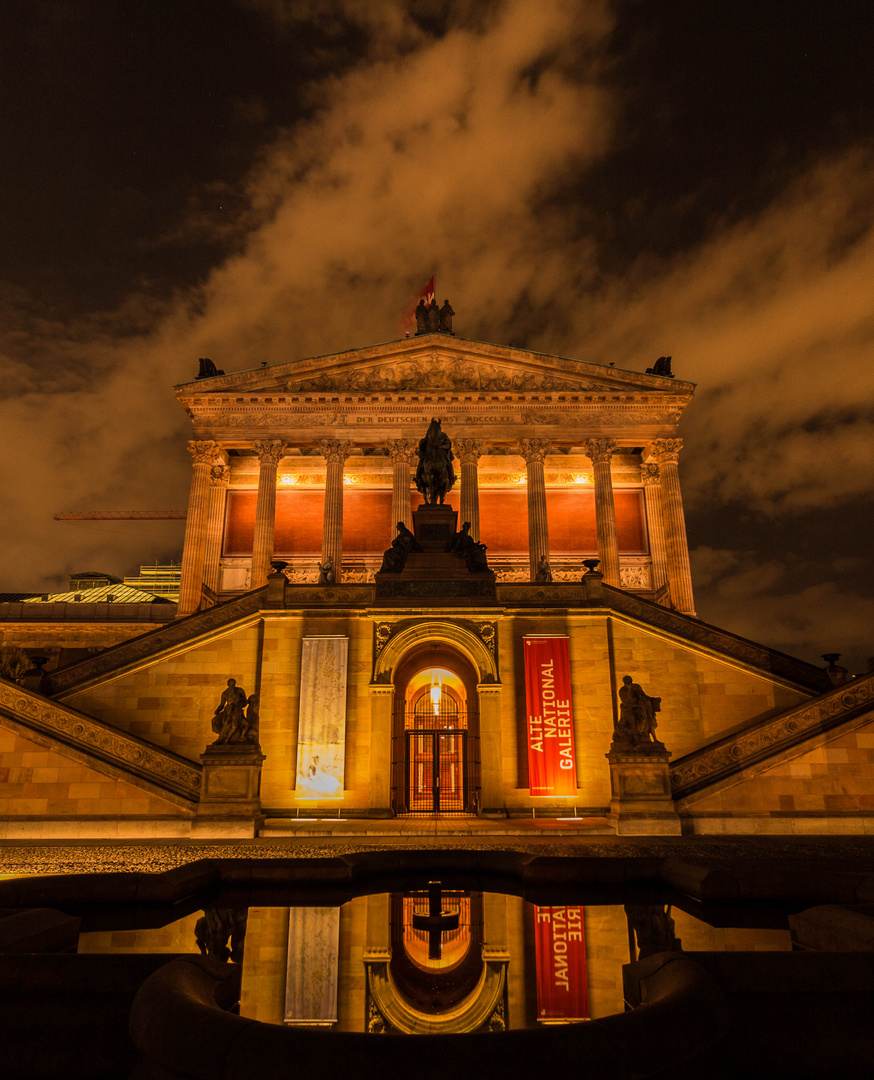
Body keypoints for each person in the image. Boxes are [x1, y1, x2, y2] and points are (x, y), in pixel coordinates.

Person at [616, 675, 662, 746]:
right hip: (628, 708)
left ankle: (642, 733)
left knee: (644, 715)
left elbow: (643, 696)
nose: (629, 684)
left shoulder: (636, 687)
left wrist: (652, 699)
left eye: (630, 683)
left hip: (638, 706)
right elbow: (626, 701)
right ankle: (634, 736)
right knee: (630, 718)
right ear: (624, 683)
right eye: (627, 683)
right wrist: (629, 691)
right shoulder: (622, 690)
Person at [212, 678, 248, 743]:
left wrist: (239, 701)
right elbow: (222, 704)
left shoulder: (240, 691)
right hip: (227, 710)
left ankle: (223, 738)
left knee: (229, 723)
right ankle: (221, 736)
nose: (232, 686)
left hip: (237, 710)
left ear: (235, 684)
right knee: (215, 720)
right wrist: (217, 710)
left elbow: (245, 702)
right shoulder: (225, 693)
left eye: (233, 684)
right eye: (230, 684)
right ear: (227, 684)